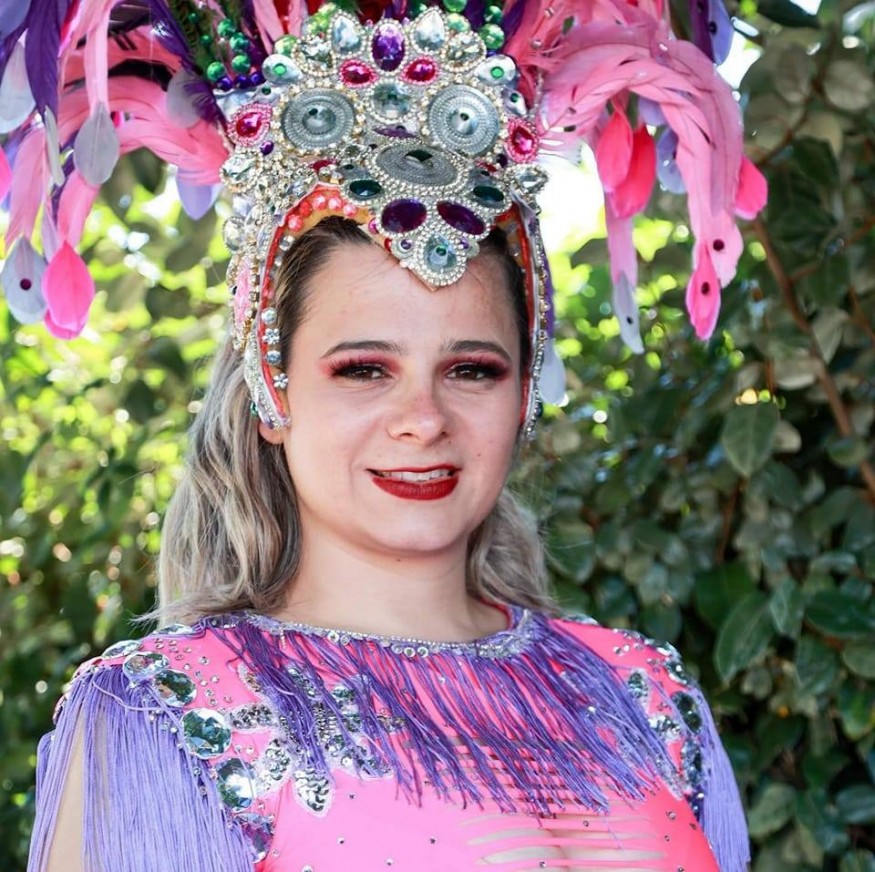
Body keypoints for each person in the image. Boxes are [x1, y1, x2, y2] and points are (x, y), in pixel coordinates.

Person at [5, 1, 765, 870]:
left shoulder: (645, 694)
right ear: (271, 387)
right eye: (364, 369)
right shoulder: (169, 714)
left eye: (471, 369)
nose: (423, 419)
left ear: (524, 393)